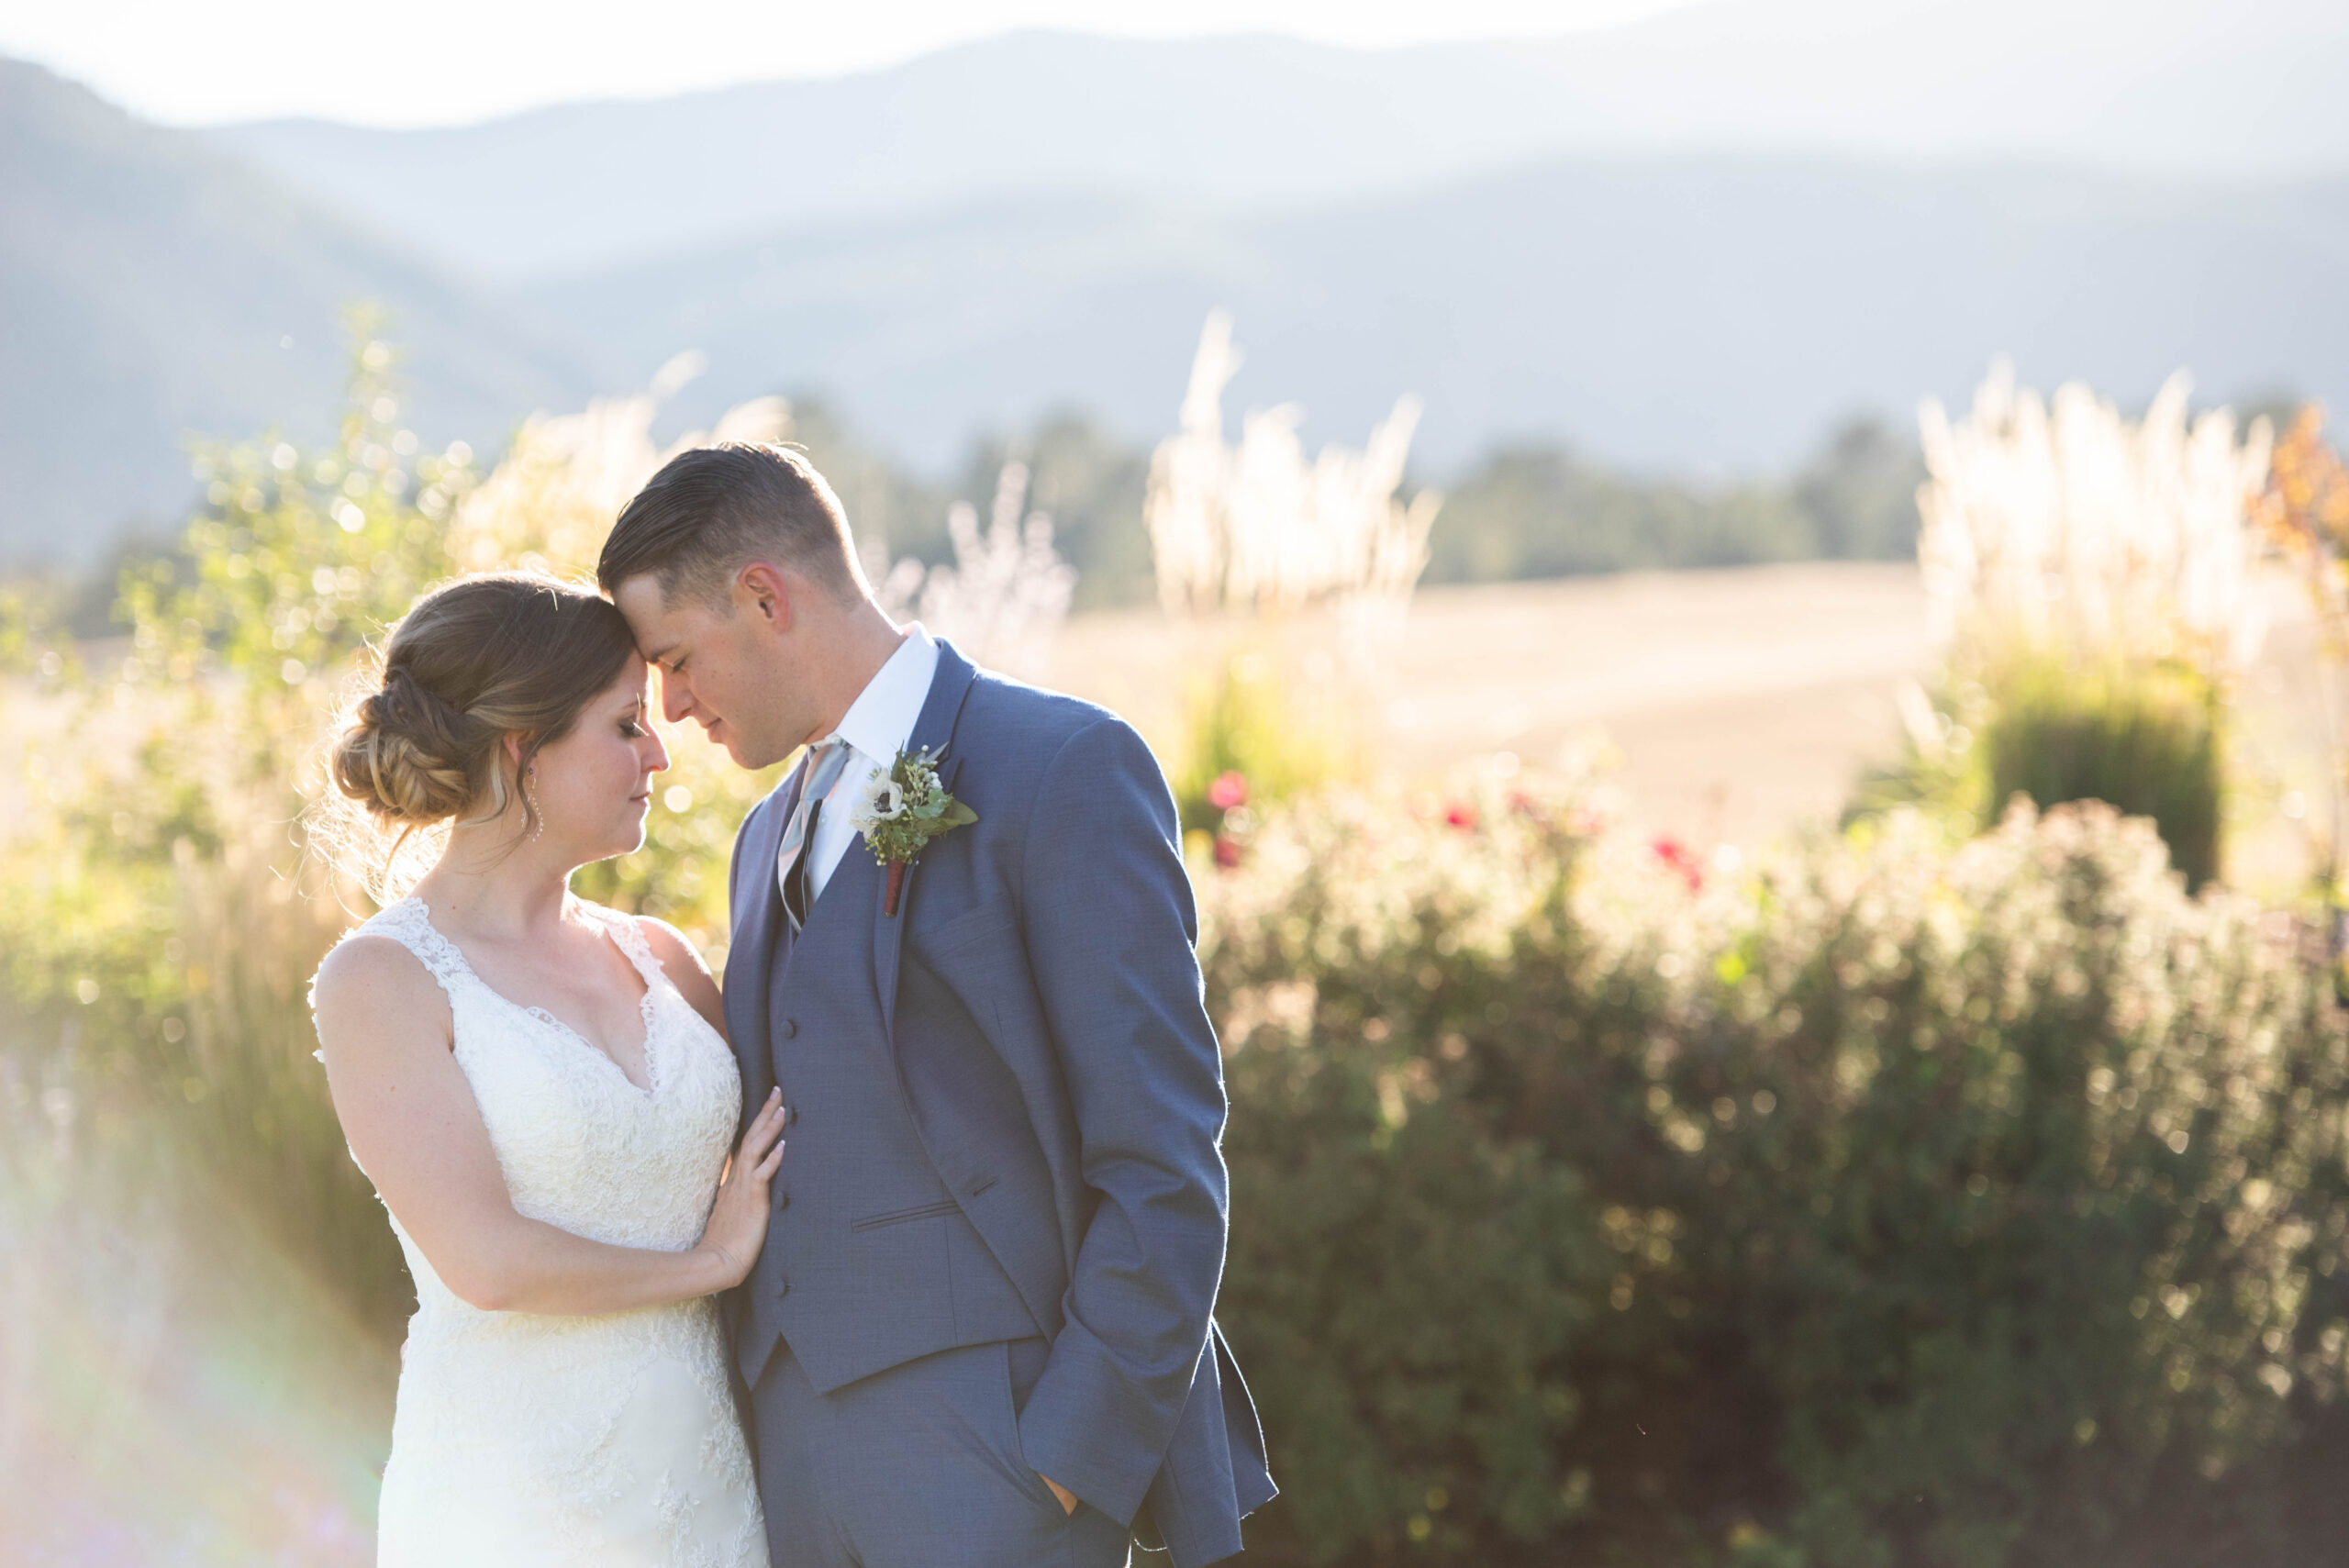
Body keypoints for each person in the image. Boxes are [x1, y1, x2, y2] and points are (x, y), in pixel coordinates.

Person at [597, 442, 1275, 1568]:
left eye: (676, 658)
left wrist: (1067, 1452)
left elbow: (1164, 1152)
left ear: (766, 595)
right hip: (790, 1462)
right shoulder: (767, 830)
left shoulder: (1059, 765)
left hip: (1002, 1455)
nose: (669, 707)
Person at [309, 572, 781, 1567]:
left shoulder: (665, 957)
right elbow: (485, 1259)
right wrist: (706, 1264)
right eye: (623, 725)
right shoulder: (383, 981)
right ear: (523, 749)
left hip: (713, 1489)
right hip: (513, 1502)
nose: (659, 751)